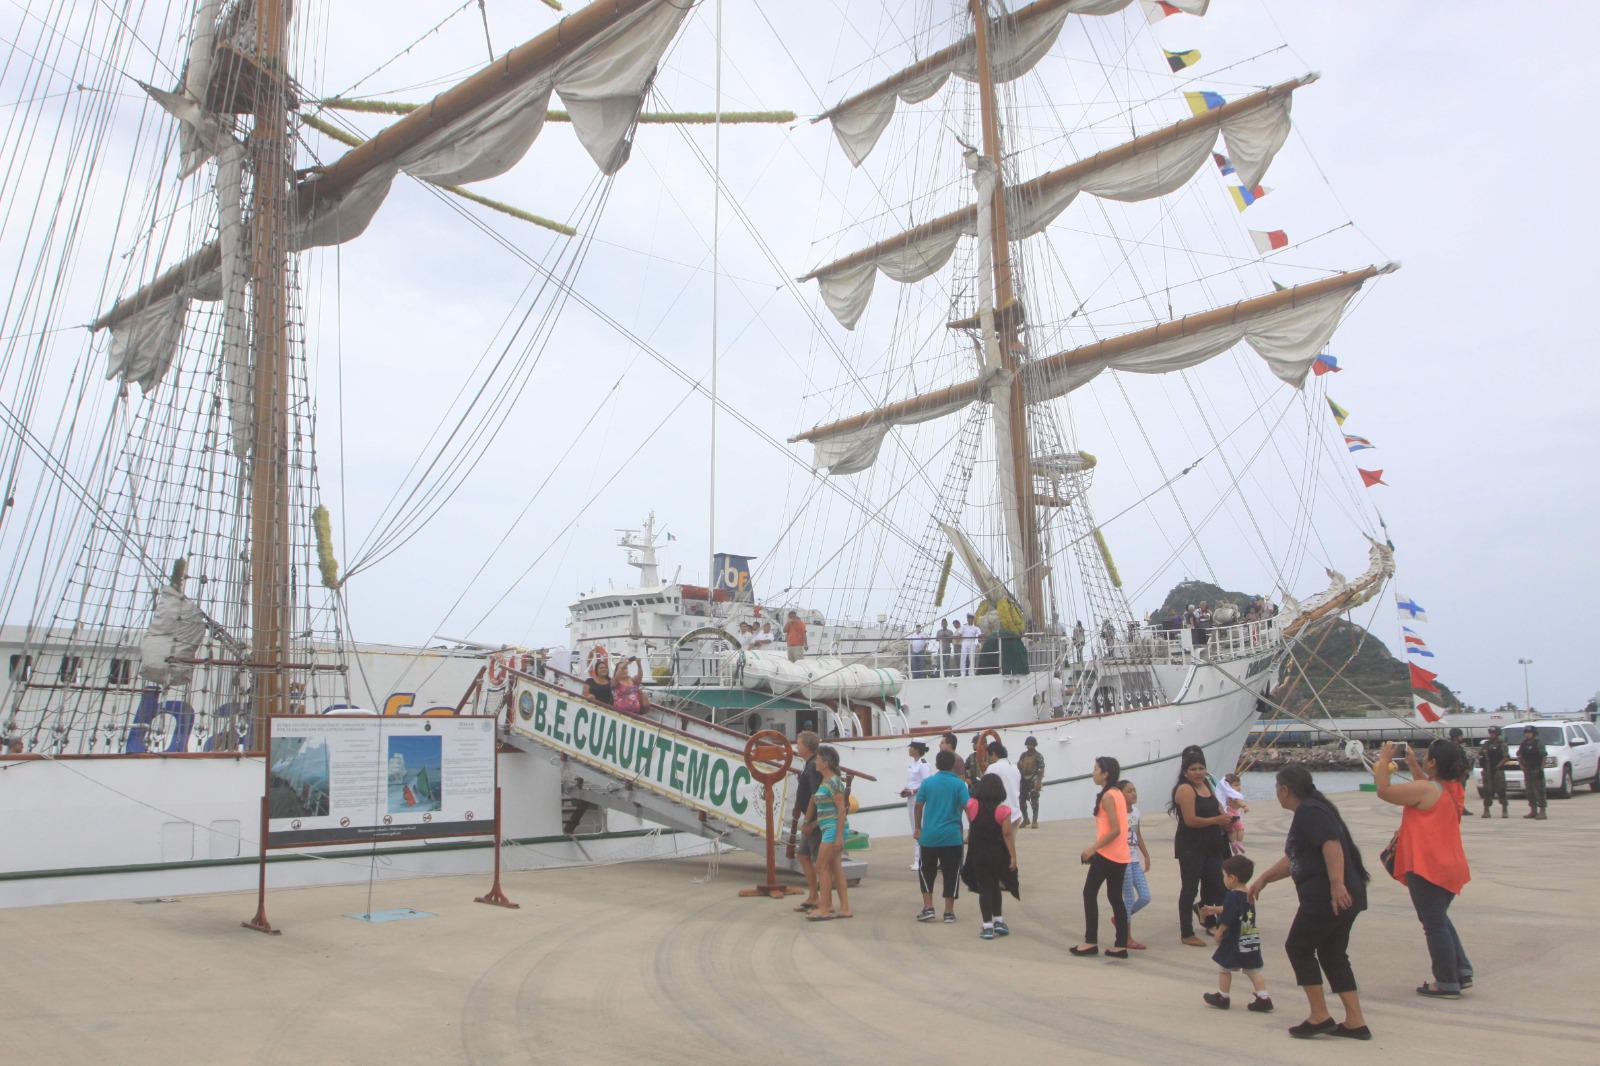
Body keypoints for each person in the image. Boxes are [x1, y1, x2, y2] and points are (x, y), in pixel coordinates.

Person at [1248, 766, 1372, 1041]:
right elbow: (1297, 857)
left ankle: (1319, 1015)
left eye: (1277, 789)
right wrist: (1265, 878)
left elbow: (1331, 844)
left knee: (1298, 946)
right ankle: (1355, 1021)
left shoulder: (1309, 812)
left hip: (1328, 898)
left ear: (1284, 790)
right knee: (1332, 954)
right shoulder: (1314, 809)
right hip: (1344, 897)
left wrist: (1336, 884)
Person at [1375, 739, 1473, 997]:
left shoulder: (1427, 790)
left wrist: (1384, 760)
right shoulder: (1453, 788)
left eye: (1427, 757)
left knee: (1434, 924)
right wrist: (1412, 764)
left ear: (1433, 763)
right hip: (1450, 865)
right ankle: (1461, 970)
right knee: (1439, 918)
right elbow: (1426, 784)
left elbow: (1384, 791)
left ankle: (1446, 980)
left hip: (1428, 867)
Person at [1071, 756, 1130, 958]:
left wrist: (1092, 849)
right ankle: (1121, 944)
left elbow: (1114, 830)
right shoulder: (1118, 793)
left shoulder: (1108, 797)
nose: (1093, 772)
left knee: (1089, 893)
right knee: (1115, 898)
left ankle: (1090, 941)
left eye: (1096, 769)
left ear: (1105, 774)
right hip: (1121, 855)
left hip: (1108, 854)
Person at [1170, 754, 1232, 946]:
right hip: (1191, 846)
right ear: (1185, 772)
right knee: (1189, 888)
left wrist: (1226, 820)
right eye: (1193, 769)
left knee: (1218, 884)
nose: (1198, 773)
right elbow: (1190, 820)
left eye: (1201, 768)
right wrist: (1217, 820)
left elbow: (1217, 808)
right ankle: (1186, 932)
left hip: (1212, 845)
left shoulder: (1206, 785)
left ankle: (1212, 918)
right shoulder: (1185, 790)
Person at [1201, 855, 1273, 1012]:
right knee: (1253, 969)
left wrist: (1219, 931)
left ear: (1232, 878)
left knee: (1224, 967)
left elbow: (1228, 917)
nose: (1223, 879)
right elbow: (1234, 910)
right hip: (1249, 936)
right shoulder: (1248, 894)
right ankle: (1263, 997)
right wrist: (1215, 909)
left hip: (1234, 939)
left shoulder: (1232, 896)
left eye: (1224, 876)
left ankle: (1223, 996)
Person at [914, 749, 970, 923]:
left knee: (926, 871)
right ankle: (948, 912)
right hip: (952, 837)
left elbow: (918, 805)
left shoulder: (927, 783)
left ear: (937, 765)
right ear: (953, 765)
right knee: (951, 872)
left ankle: (928, 907)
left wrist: (918, 827)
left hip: (929, 836)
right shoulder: (959, 785)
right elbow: (968, 807)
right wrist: (972, 830)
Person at [965, 772, 1020, 940]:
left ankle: (987, 925)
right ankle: (999, 920)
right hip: (997, 854)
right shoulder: (1003, 810)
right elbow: (1007, 834)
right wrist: (1013, 856)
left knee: (984, 888)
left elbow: (972, 823)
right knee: (995, 886)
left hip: (978, 853)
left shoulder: (971, 805)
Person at [803, 746, 851, 921]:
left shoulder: (833, 782)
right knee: (835, 869)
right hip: (828, 828)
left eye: (818, 759)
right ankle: (843, 908)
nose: (816, 762)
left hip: (833, 830)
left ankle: (824, 907)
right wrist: (815, 823)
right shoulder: (828, 781)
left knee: (821, 867)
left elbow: (841, 810)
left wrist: (838, 837)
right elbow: (828, 810)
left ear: (826, 763)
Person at [790, 731, 823, 914]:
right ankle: (813, 896)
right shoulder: (808, 765)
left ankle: (821, 900)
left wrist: (811, 821)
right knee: (803, 856)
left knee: (819, 862)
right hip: (808, 818)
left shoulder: (812, 767)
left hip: (814, 821)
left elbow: (815, 795)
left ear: (808, 747)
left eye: (799, 744)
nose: (797, 747)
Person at [1120, 780, 1152, 950]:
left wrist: (1145, 854)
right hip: (1122, 861)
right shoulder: (1117, 813)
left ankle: (1121, 918)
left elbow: (1137, 834)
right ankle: (1127, 937)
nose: (1134, 793)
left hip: (1134, 860)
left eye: (1134, 790)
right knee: (1129, 897)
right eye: (1129, 791)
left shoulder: (1136, 812)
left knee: (1145, 896)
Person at [901, 740, 933, 871]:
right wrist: (906, 790)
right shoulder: (912, 764)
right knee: (914, 827)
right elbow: (912, 782)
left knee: (919, 828)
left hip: (919, 799)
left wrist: (913, 791)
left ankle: (921, 860)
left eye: (911, 748)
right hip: (911, 798)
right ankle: (917, 859)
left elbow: (927, 784)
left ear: (917, 749)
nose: (909, 750)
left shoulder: (924, 765)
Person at [986, 741, 1023, 824]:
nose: (987, 759)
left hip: (1000, 815)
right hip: (1016, 814)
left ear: (993, 754)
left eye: (988, 755)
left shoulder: (992, 768)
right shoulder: (1015, 768)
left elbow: (986, 791)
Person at [1478, 725, 1510, 818]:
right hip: (1487, 770)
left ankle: (1504, 810)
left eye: (1493, 733)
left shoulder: (1502, 744)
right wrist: (1481, 759)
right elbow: (1479, 754)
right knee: (1487, 791)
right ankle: (1486, 810)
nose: (1491, 735)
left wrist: (1497, 766)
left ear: (1497, 734)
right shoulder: (1486, 744)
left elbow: (1506, 757)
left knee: (1501, 790)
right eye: (1490, 733)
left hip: (1497, 771)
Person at [1517, 724, 1547, 819]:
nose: (1527, 735)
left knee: (1540, 790)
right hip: (1527, 770)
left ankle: (1542, 811)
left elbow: (1544, 756)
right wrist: (1521, 766)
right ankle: (1533, 810)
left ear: (1534, 733)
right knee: (1529, 791)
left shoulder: (1538, 743)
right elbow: (1519, 755)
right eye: (1526, 733)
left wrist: (1541, 769)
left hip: (1536, 769)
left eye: (1529, 733)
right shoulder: (1523, 743)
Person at [1216, 771, 1249, 855]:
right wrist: (1244, 806)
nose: (1239, 787)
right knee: (1240, 828)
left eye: (1239, 785)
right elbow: (1238, 801)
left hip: (1229, 814)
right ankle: (1239, 842)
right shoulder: (1233, 795)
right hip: (1233, 815)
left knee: (1232, 831)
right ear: (1228, 786)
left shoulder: (1226, 795)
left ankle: (1233, 843)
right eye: (1236, 785)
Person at [1017, 737, 1045, 827]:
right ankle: (1025, 819)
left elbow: (1041, 769)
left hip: (1034, 779)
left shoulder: (1038, 755)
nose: (1029, 746)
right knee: (1021, 800)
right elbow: (1019, 766)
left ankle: (1034, 821)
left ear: (1034, 745)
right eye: (1028, 744)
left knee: (1034, 800)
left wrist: (1039, 781)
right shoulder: (1023, 755)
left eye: (1031, 744)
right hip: (1023, 780)